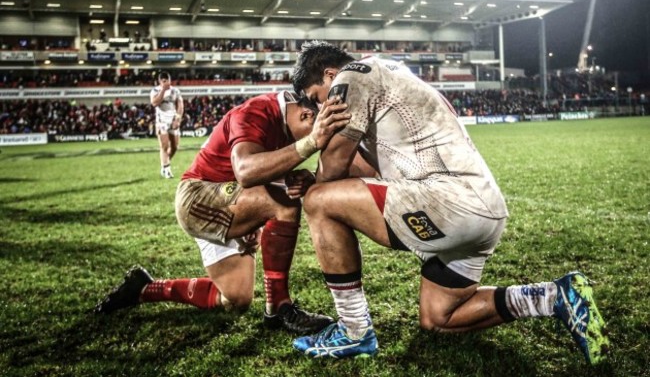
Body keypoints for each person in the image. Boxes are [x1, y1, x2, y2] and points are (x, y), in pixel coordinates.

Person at [290, 41, 610, 364]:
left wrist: (314, 141)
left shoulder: (350, 76)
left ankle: (354, 331)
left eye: (318, 97)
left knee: (317, 200)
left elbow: (331, 170)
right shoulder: (387, 70)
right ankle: (554, 297)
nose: (321, 109)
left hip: (446, 201)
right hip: (484, 210)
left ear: (330, 74)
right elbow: (369, 170)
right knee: (438, 319)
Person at [95, 90, 351, 334]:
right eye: (315, 134)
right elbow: (246, 172)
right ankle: (278, 307)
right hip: (198, 198)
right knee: (284, 203)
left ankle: (145, 288)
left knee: (235, 298)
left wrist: (296, 180)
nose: (315, 144)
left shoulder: (285, 123)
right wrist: (311, 142)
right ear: (306, 115)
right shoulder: (256, 110)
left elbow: (261, 178)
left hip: (226, 200)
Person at [150, 71, 183, 179]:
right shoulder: (155, 90)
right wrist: (163, 90)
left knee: (175, 146)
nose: (166, 83)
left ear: (170, 80)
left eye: (167, 81)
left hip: (173, 120)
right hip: (161, 121)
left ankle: (164, 165)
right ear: (160, 81)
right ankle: (167, 169)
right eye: (163, 81)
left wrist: (177, 119)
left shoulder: (175, 91)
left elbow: (180, 105)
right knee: (164, 146)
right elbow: (155, 103)